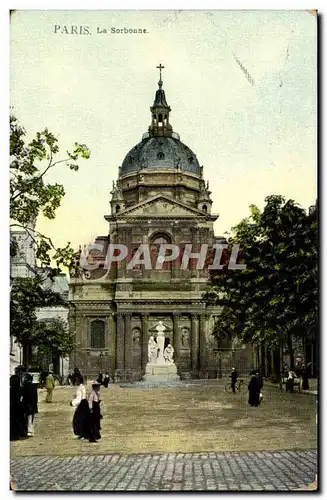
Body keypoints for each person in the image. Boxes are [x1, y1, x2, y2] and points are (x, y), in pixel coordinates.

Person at [10, 374, 27, 440]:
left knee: (13, 422)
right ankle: (22, 434)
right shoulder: (22, 389)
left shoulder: (10, 390)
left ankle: (13, 435)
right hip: (20, 408)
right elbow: (25, 399)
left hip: (12, 408)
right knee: (21, 421)